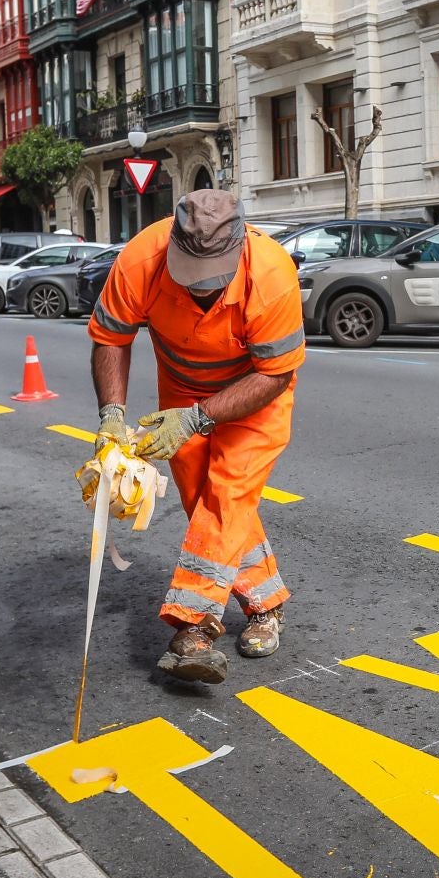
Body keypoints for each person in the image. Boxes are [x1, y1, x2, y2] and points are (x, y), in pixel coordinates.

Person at [86, 190, 306, 684]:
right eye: (191, 279)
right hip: (182, 388)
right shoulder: (142, 256)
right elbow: (111, 338)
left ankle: (193, 627)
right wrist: (111, 416)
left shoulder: (270, 273)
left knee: (227, 496)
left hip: (255, 393)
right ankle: (267, 605)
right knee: (202, 500)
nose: (200, 291)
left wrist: (195, 420)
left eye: (211, 282)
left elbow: (274, 375)